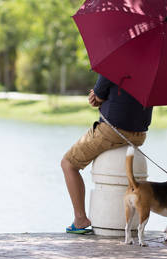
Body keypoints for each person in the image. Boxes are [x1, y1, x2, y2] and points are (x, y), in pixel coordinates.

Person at [61, 74, 152, 234]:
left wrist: (96, 97)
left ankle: (80, 219)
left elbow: (97, 96)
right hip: (139, 134)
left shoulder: (117, 62)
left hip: (113, 130)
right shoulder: (152, 68)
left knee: (68, 164)